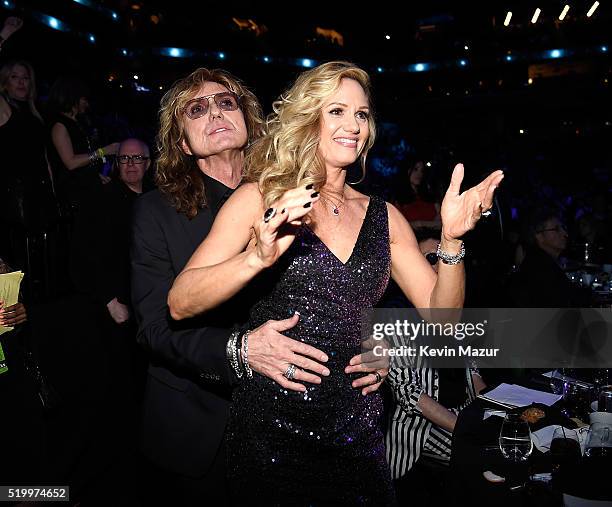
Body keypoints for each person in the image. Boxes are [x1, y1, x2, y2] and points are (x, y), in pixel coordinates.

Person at [168, 61, 503, 504]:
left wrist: (450, 239)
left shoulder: (385, 217)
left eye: (362, 114)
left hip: (359, 434)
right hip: (274, 433)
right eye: (337, 111)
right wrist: (256, 257)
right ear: (310, 120)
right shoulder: (261, 197)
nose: (353, 125)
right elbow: (180, 301)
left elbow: (443, 320)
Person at [130, 68, 331, 505]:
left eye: (226, 102)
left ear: (248, 121)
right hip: (198, 422)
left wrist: (371, 352)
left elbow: (335, 291)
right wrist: (239, 351)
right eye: (196, 109)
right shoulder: (156, 212)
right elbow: (153, 328)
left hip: (289, 413)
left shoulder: (290, 194)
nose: (215, 113)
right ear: (182, 142)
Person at [385, 230, 486, 505]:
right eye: (431, 257)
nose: (440, 264)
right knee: (481, 457)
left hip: (463, 414)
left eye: (444, 257)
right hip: (421, 431)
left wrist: (491, 409)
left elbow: (472, 370)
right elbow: (409, 395)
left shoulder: (454, 309)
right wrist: (466, 428)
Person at [0, 57, 58, 298]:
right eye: (15, 77)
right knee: (12, 258)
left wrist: (53, 193)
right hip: (12, 195)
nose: (21, 82)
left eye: (25, 77)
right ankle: (9, 319)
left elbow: (44, 159)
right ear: (4, 82)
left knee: (34, 260)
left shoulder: (35, 113)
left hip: (38, 194)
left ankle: (28, 313)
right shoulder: (4, 107)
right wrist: (3, 37)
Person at [47, 76, 119, 213]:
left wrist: (94, 175)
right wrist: (104, 151)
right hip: (72, 193)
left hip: (84, 186)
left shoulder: (78, 122)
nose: (87, 104)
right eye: (84, 99)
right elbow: (70, 162)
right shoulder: (60, 125)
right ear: (72, 98)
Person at [394, 159, 441, 230]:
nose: (419, 174)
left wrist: (420, 223)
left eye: (422, 171)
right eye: (415, 169)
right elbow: (398, 226)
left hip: (436, 237)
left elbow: (442, 222)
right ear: (407, 171)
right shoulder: (399, 199)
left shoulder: (430, 196)